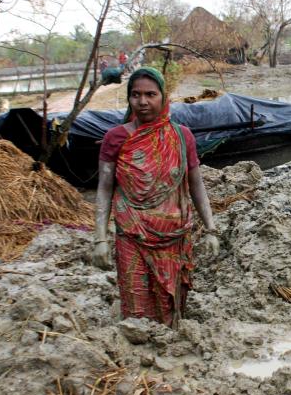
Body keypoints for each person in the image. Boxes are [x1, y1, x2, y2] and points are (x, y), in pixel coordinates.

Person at [91, 67, 219, 328]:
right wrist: (100, 239)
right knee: (137, 311)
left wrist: (211, 229)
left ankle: (169, 353)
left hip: (174, 235)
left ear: (163, 97)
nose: (143, 101)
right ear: (129, 98)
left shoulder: (182, 137)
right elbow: (104, 188)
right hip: (132, 232)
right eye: (135, 95)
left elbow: (196, 185)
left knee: (172, 307)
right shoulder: (115, 138)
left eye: (150, 94)